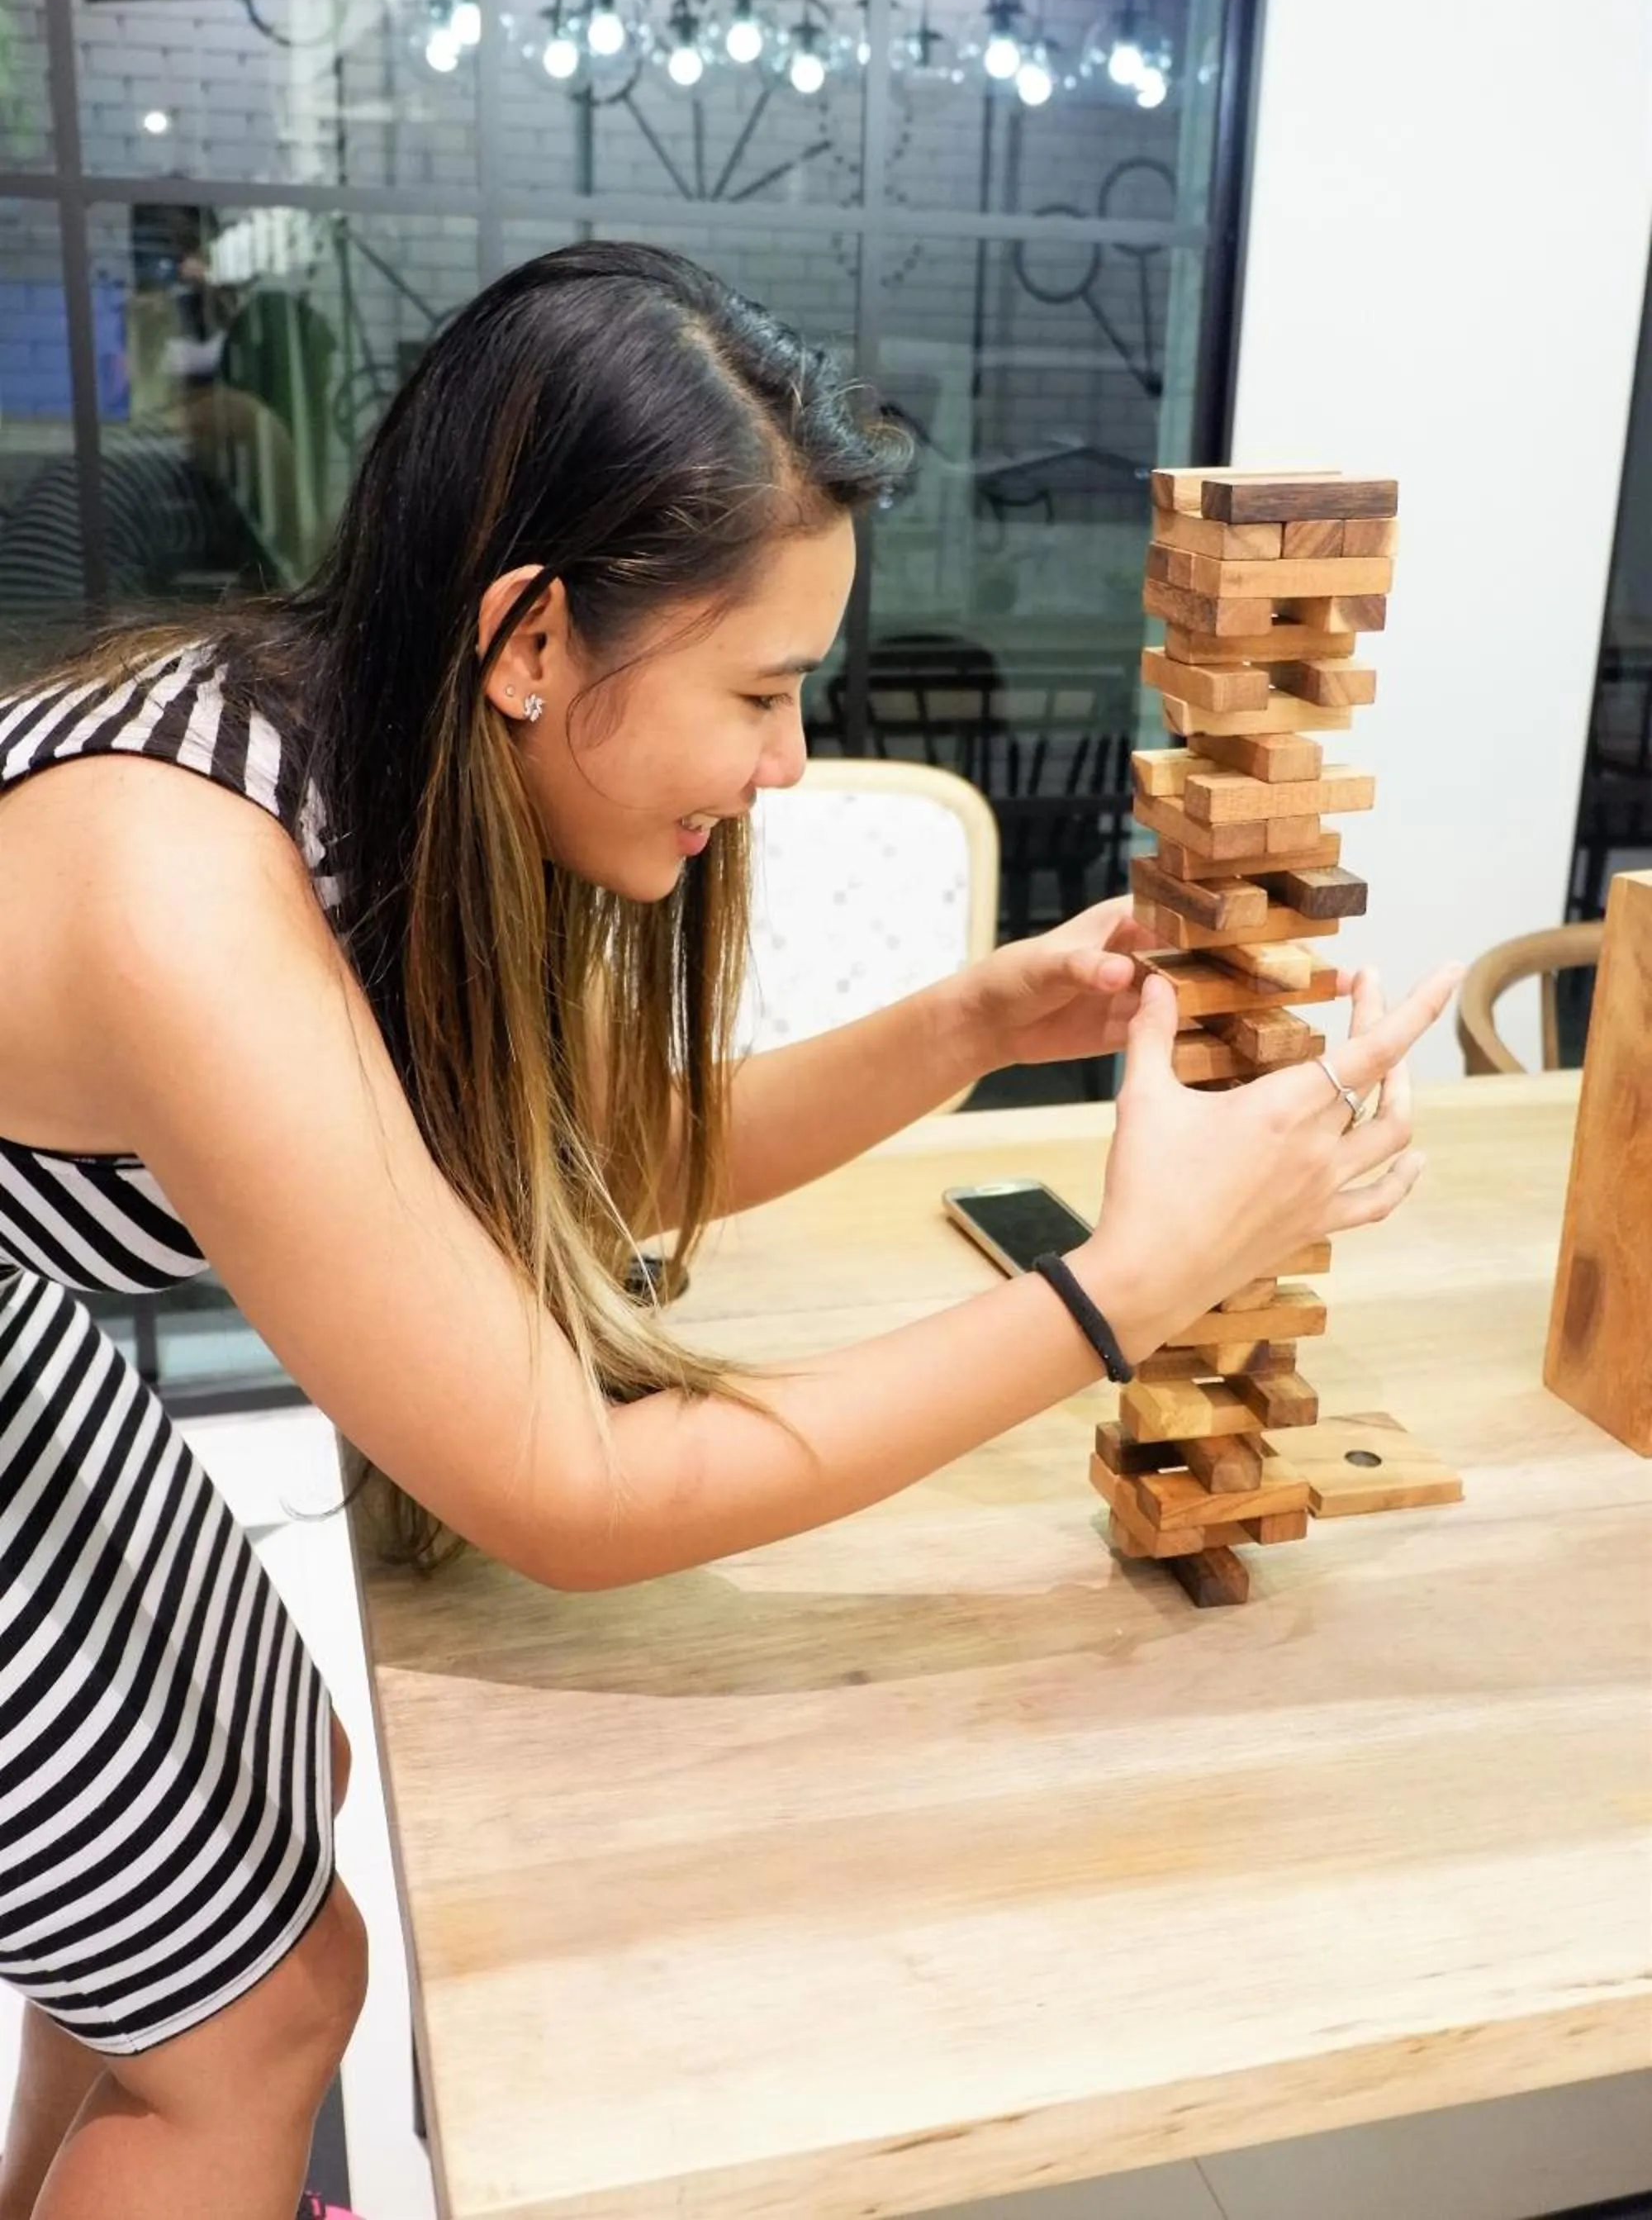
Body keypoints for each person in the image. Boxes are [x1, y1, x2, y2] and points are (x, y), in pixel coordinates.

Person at [0, 244, 1460, 2219]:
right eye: (760, 693)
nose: (784, 766)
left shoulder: (370, 760)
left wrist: (971, 1023)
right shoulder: (185, 889)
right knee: (261, 2015)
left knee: (256, 1816)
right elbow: (572, 1494)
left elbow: (586, 1145)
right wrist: (1125, 1289)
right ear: (532, 639)